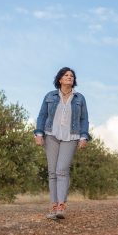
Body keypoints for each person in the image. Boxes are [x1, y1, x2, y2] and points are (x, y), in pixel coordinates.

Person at [34, 67, 89, 220]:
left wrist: (84, 137)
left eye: (71, 76)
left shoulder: (79, 98)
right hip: (51, 135)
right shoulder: (50, 96)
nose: (69, 77)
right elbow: (42, 115)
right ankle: (53, 205)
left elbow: (84, 119)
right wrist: (38, 133)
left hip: (71, 136)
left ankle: (61, 206)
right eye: (66, 75)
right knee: (52, 172)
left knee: (62, 170)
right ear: (60, 79)